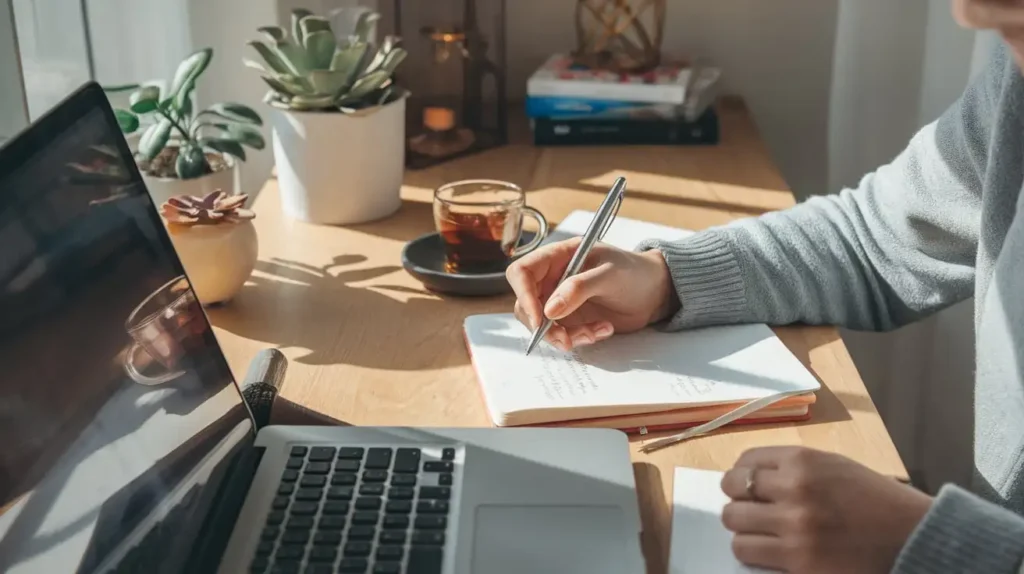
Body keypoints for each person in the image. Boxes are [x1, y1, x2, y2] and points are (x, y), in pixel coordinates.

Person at [505, 1, 1024, 572]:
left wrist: (927, 545)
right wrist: (667, 280)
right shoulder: (1015, 77)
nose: (972, 15)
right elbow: (874, 238)